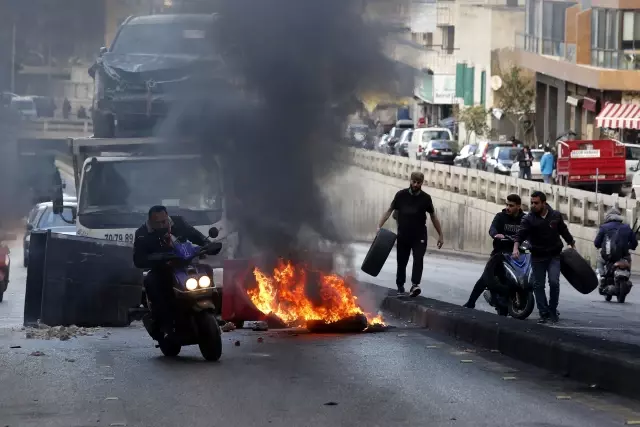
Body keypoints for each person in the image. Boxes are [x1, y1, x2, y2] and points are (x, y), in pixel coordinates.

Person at [133, 205, 210, 337]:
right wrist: (160, 257)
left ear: (167, 216)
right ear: (151, 222)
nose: (163, 225)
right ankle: (162, 323)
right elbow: (139, 259)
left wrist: (208, 243)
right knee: (151, 281)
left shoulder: (178, 222)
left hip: (185, 265)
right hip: (162, 269)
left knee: (207, 270)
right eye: (158, 223)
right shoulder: (142, 234)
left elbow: (194, 235)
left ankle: (211, 308)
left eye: (164, 221)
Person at [377, 171, 444, 297]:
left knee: (418, 259)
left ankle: (415, 285)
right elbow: (389, 211)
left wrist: (440, 234)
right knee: (402, 261)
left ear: (422, 183)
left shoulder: (426, 198)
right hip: (403, 235)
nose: (415, 185)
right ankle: (400, 286)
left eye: (418, 183)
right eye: (414, 182)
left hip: (419, 235)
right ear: (410, 181)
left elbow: (433, 217)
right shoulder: (400, 195)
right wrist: (378, 226)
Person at [513, 191, 575, 324]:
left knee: (554, 282)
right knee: (538, 285)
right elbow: (520, 235)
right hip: (537, 256)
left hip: (554, 255)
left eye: (536, 203)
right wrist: (515, 248)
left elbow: (564, 231)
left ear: (544, 203)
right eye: (532, 203)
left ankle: (552, 310)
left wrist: (571, 243)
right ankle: (543, 312)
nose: (533, 205)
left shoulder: (555, 216)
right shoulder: (528, 219)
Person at [463, 194, 524, 309]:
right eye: (507, 205)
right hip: (499, 253)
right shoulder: (500, 216)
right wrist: (496, 234)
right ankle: (471, 302)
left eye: (511, 206)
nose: (508, 208)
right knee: (485, 277)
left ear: (518, 206)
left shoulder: (524, 219)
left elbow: (530, 232)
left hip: (516, 254)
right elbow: (492, 228)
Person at [594, 207, 638, 290]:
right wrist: (630, 247)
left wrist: (600, 246)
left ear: (608, 216)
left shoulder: (603, 227)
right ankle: (627, 274)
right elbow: (634, 243)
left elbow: (597, 242)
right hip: (623, 256)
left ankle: (602, 276)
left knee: (599, 261)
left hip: (607, 256)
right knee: (628, 260)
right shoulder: (627, 227)